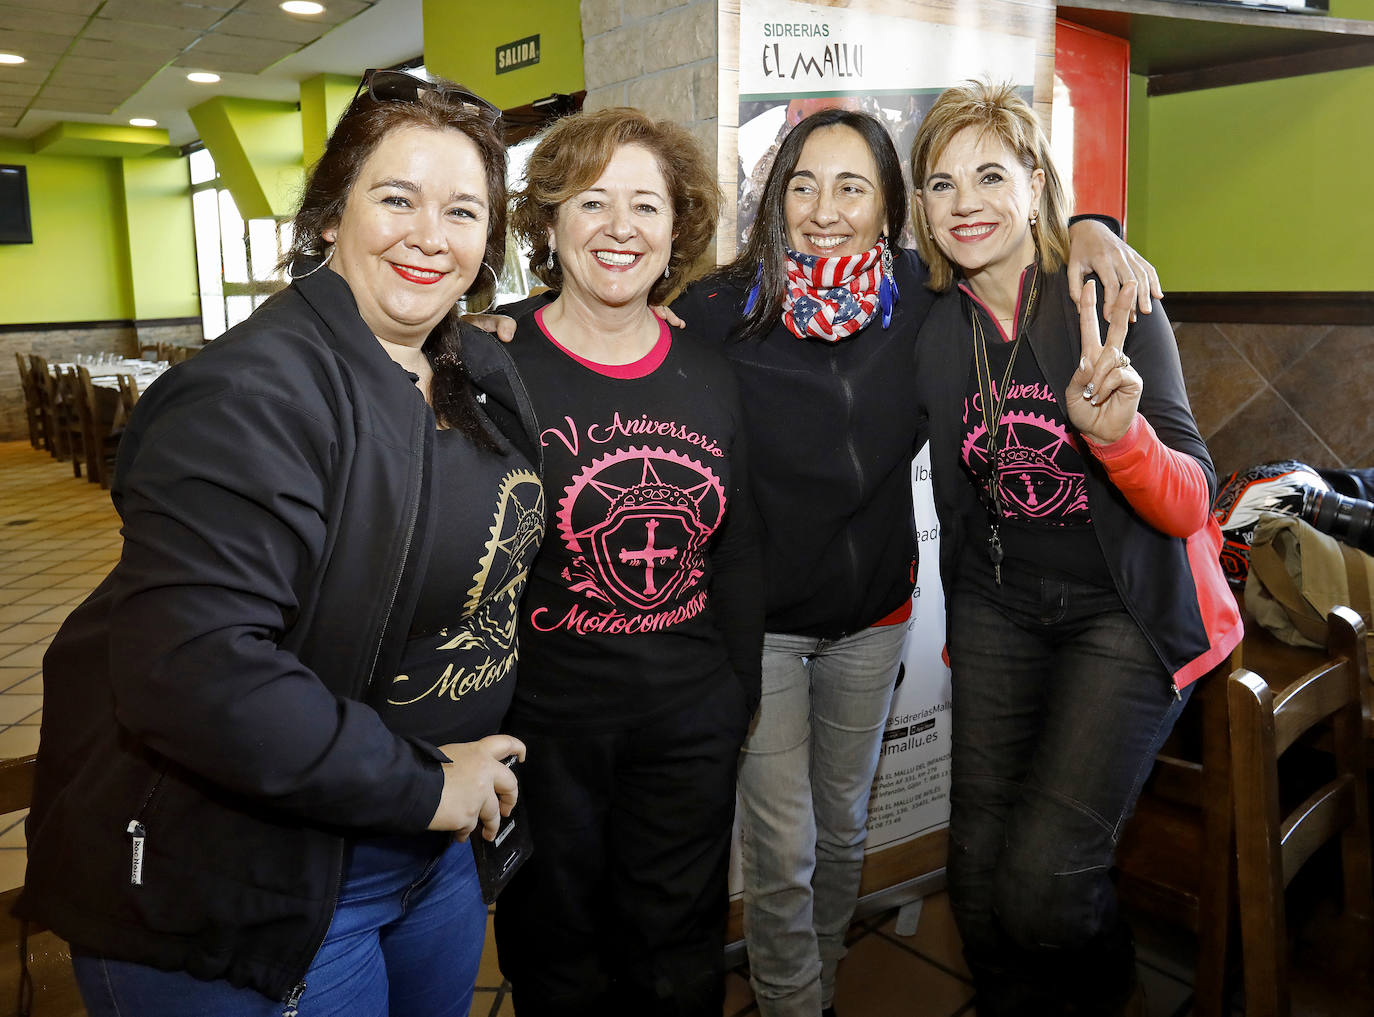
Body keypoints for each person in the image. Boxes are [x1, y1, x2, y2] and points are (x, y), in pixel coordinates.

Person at [19, 69, 545, 1017]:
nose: (430, 234)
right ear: (330, 215)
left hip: (432, 856)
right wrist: (428, 779)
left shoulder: (474, 365)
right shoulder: (249, 394)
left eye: (463, 210)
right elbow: (196, 672)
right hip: (269, 882)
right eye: (397, 198)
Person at [668, 107, 1162, 1017]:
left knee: (844, 828)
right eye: (804, 184)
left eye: (852, 186)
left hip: (875, 620)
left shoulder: (917, 295)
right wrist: (511, 330)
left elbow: (1015, 232)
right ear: (777, 197)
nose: (824, 208)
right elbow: (609, 333)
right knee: (783, 848)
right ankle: (794, 1004)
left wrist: (1096, 228)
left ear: (889, 210)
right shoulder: (717, 310)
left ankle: (819, 978)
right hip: (763, 627)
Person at [907, 80, 1242, 1015]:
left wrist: (1121, 438)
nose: (965, 202)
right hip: (998, 605)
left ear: (1035, 180)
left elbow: (1193, 502)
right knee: (977, 890)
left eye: (989, 174)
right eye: (939, 184)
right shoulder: (931, 326)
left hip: (1126, 613)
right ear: (921, 210)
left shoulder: (1107, 293)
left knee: (1046, 886)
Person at [490, 108, 762, 1016]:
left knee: (679, 952)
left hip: (686, 725)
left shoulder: (712, 372)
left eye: (645, 205)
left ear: (675, 229)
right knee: (556, 951)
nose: (620, 227)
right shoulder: (491, 365)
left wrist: (733, 700)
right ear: (550, 223)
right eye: (592, 201)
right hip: (546, 728)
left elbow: (742, 550)